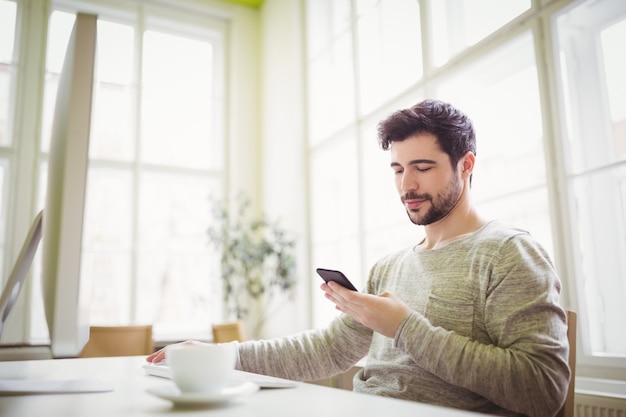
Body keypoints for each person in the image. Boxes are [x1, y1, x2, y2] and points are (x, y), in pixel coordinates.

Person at [148, 99, 570, 417]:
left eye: (423, 167)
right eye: (397, 169)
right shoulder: (390, 266)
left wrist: (403, 327)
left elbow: (543, 390)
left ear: (467, 164)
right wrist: (223, 354)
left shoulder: (510, 253)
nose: (408, 184)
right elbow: (327, 349)